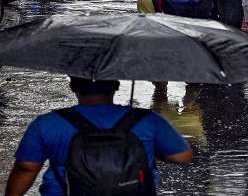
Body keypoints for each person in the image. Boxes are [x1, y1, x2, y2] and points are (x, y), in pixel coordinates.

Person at [6, 77, 192, 196]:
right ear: (116, 86)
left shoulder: (46, 123)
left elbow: (26, 168)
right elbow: (183, 156)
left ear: (72, 86)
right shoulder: (147, 120)